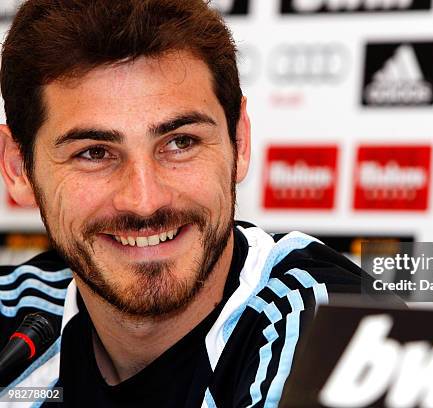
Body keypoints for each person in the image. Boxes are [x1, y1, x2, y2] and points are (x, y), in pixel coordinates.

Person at [0, 1, 364, 406]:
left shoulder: (329, 324)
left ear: (239, 143)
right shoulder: (16, 315)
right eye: (94, 153)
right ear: (19, 169)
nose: (144, 201)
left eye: (180, 143)